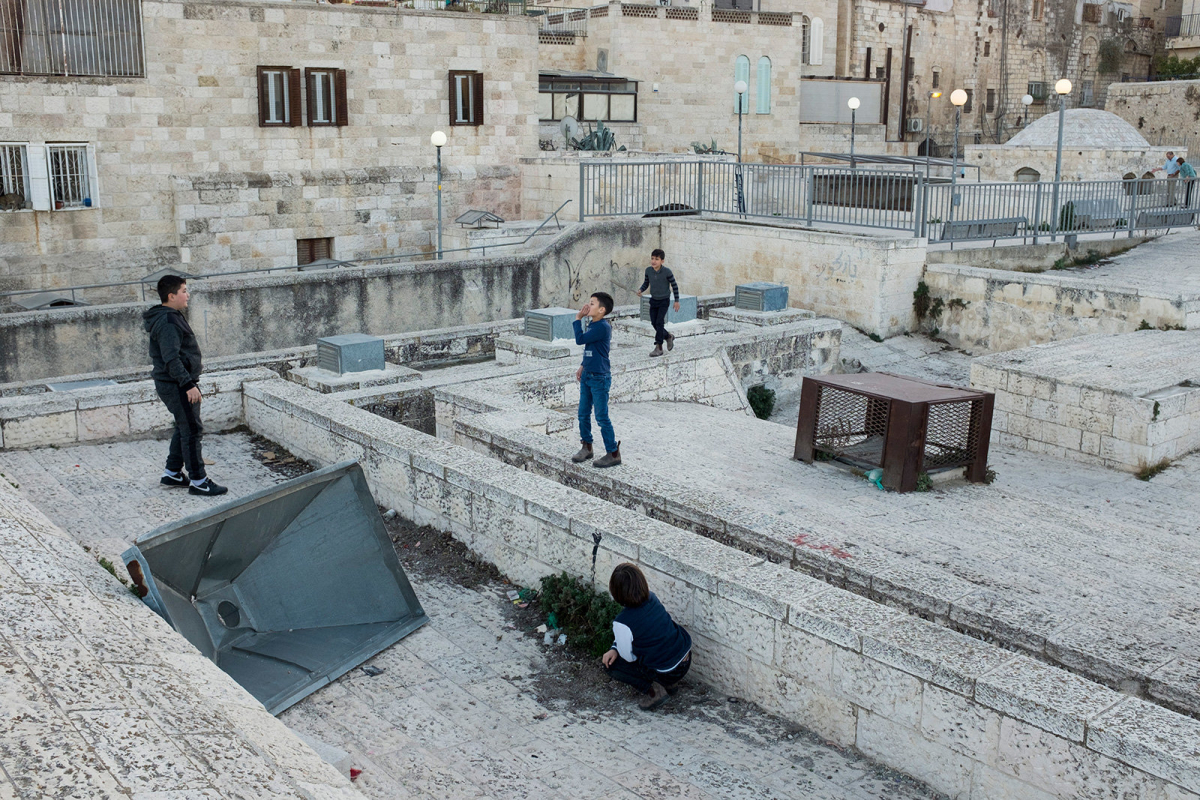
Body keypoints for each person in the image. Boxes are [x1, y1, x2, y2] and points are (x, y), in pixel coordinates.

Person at [143, 275, 227, 496]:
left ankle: (172, 473)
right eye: (184, 291)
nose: (187, 295)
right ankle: (199, 481)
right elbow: (171, 358)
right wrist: (188, 384)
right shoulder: (168, 321)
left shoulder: (169, 316)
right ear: (171, 296)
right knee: (191, 430)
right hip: (177, 384)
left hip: (174, 382)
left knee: (184, 427)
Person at [601, 563, 692, 711]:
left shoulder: (622, 622)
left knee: (612, 665)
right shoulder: (652, 598)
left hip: (667, 671)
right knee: (657, 647)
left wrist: (615, 649)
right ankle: (670, 685)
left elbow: (628, 658)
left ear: (616, 592)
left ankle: (654, 690)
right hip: (685, 659)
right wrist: (615, 647)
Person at [571, 292, 621, 468]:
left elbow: (580, 340)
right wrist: (583, 365)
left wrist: (578, 318)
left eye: (592, 304)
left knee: (601, 416)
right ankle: (587, 446)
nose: (588, 306)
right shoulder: (593, 324)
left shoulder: (602, 327)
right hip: (588, 375)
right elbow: (591, 348)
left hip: (599, 377)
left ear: (602, 309)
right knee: (583, 413)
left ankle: (613, 453)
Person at [636, 248, 680, 358]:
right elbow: (646, 283)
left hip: (664, 300)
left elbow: (674, 286)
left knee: (659, 322)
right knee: (654, 323)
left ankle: (659, 347)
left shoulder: (667, 272)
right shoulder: (648, 271)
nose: (654, 261)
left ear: (662, 261)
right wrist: (641, 290)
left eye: (657, 259)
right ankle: (668, 336)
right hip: (654, 300)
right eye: (652, 258)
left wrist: (677, 301)